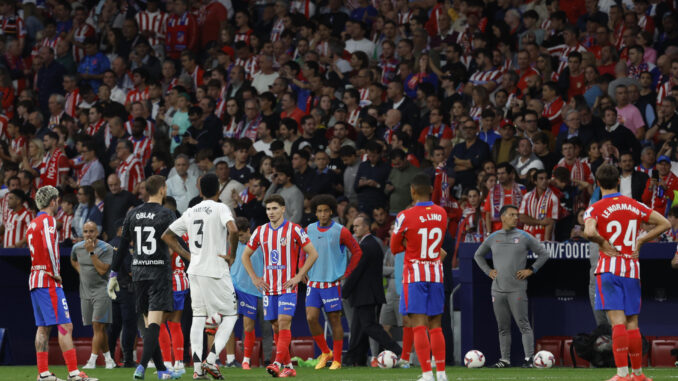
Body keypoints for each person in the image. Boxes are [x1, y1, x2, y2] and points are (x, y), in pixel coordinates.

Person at [583, 164, 670, 381]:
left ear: (598, 182)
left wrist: (602, 241)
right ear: (619, 181)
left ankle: (622, 375)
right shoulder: (634, 205)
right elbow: (665, 223)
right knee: (633, 324)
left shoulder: (595, 207)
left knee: (618, 323)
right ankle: (638, 375)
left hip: (609, 270)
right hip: (631, 270)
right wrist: (641, 239)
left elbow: (588, 231)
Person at [162, 173, 239, 379]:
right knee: (230, 315)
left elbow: (167, 235)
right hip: (215, 270)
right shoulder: (221, 207)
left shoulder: (191, 210)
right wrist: (231, 255)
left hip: (194, 271)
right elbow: (234, 230)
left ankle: (197, 371)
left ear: (200, 191)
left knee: (198, 317)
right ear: (218, 190)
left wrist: (189, 256)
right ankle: (211, 361)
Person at [107, 175, 181, 380]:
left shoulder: (133, 213)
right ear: (163, 189)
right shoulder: (167, 213)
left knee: (149, 327)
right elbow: (175, 243)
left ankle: (162, 371)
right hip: (159, 273)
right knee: (155, 326)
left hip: (138, 273)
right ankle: (140, 367)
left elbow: (122, 245)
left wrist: (113, 272)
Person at [240, 194, 320, 378]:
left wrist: (299, 275)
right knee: (276, 327)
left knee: (284, 323)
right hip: (269, 288)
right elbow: (245, 256)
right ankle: (289, 366)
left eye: (275, 208)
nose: (271, 212)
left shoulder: (294, 229)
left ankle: (276, 363)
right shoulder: (260, 231)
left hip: (287, 286)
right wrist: (254, 278)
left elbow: (313, 253)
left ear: (283, 209)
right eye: (268, 209)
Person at [28, 185, 98, 381]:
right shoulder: (48, 220)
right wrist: (55, 272)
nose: (58, 203)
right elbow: (50, 246)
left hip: (35, 279)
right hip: (48, 280)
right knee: (64, 326)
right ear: (53, 201)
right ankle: (74, 373)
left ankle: (43, 373)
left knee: (43, 328)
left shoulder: (33, 223)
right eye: (57, 200)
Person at [473, 204, 550, 368]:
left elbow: (544, 253)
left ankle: (529, 359)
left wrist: (531, 270)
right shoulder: (494, 237)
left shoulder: (524, 236)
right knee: (503, 327)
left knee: (523, 324)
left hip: (517, 288)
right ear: (502, 217)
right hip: (497, 289)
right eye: (512, 215)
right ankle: (505, 359)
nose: (516, 217)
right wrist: (488, 271)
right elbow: (478, 255)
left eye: (517, 215)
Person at [389, 173, 448, 381]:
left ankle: (426, 374)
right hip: (436, 273)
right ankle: (441, 373)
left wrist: (408, 244)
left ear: (412, 191)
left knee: (419, 324)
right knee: (436, 325)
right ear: (431, 190)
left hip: (415, 274)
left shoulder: (405, 215)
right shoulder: (442, 213)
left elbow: (394, 247)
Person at [304, 194, 363, 370]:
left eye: (326, 211)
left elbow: (357, 252)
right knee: (311, 318)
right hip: (313, 283)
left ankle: (337, 359)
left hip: (331, 283)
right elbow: (302, 251)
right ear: (315, 212)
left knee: (334, 321)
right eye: (319, 211)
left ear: (331, 211)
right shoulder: (308, 229)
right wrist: (302, 270)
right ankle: (325, 352)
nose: (323, 214)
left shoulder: (341, 230)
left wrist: (346, 273)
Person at [70, 222, 116, 370]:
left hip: (102, 291)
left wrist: (91, 252)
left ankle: (92, 360)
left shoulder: (106, 248)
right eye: (85, 231)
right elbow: (73, 260)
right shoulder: (76, 248)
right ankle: (109, 359)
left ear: (97, 232)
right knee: (99, 328)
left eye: (91, 231)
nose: (88, 234)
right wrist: (80, 272)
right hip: (85, 292)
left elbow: (103, 270)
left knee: (98, 325)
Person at [229, 217, 271, 370]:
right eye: (236, 236)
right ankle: (244, 358)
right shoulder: (233, 244)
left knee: (267, 328)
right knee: (246, 325)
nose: (239, 239)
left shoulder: (261, 244)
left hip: (262, 290)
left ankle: (267, 360)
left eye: (241, 235)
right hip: (241, 290)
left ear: (248, 231)